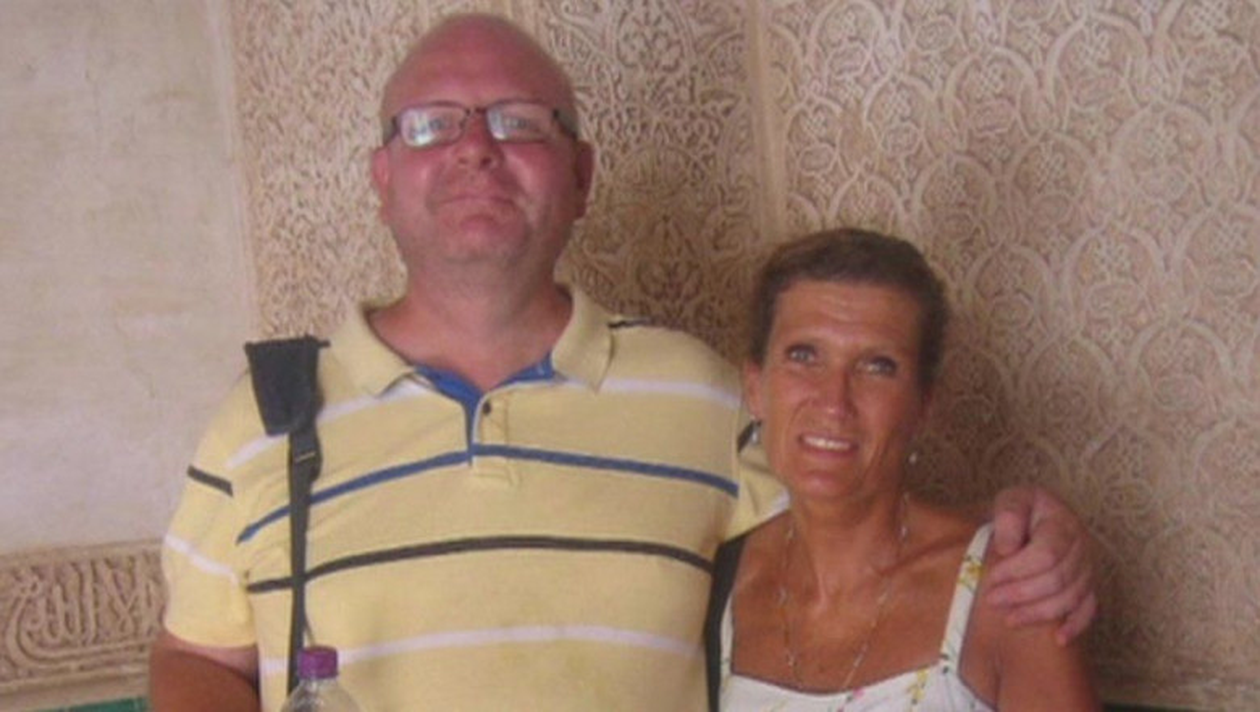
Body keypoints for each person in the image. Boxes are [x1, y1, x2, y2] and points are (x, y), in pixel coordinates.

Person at [149, 14, 1096, 712]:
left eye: (520, 122)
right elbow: (195, 659)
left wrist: (1028, 538)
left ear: (583, 177)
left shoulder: (698, 395)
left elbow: (856, 503)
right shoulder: (267, 416)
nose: (476, 150)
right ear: (382, 179)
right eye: (432, 125)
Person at [709, 229, 1099, 710]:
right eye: (804, 355)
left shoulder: (1011, 592)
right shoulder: (716, 582)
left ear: (923, 406)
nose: (834, 402)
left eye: (877, 366)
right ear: (754, 386)